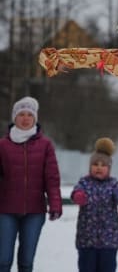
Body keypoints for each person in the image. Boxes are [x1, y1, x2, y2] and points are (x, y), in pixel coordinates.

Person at [0, 96, 62, 272]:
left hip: (34, 212)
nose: (25, 118)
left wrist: (55, 203)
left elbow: (52, 177)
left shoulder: (45, 145)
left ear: (35, 118)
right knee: (3, 260)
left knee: (26, 262)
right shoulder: (2, 145)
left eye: (29, 114)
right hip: (5, 211)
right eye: (21, 114)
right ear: (14, 118)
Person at [71, 137, 118, 272]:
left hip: (109, 240)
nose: (99, 167)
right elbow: (76, 193)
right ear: (90, 167)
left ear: (109, 168)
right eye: (95, 164)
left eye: (103, 165)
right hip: (87, 239)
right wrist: (78, 197)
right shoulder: (84, 182)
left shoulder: (113, 183)